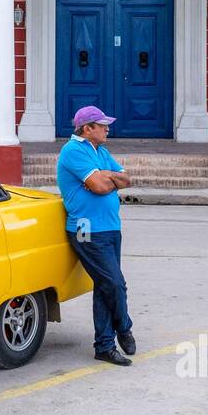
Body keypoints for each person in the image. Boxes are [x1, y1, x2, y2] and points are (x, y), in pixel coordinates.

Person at [56, 106, 135, 366]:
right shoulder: (73, 151)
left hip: (111, 227)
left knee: (104, 285)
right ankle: (123, 326)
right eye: (102, 125)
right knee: (114, 283)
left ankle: (104, 346)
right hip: (86, 230)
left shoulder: (101, 151)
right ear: (87, 128)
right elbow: (101, 187)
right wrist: (105, 178)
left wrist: (107, 175)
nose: (107, 128)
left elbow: (127, 180)